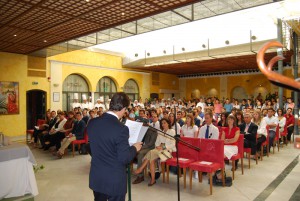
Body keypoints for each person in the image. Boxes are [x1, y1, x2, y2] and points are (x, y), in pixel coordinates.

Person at [88, 92, 142, 201]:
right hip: (114, 180)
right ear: (124, 108)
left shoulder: (92, 123)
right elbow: (124, 158)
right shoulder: (121, 129)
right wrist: (134, 148)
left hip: (97, 177)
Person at [134, 118, 176, 186]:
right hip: (158, 150)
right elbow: (157, 143)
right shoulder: (160, 132)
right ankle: (153, 180)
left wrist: (163, 147)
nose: (163, 124)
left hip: (167, 152)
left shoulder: (172, 131)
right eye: (162, 123)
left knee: (151, 153)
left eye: (165, 123)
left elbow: (172, 144)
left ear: (168, 123)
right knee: (152, 160)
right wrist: (158, 146)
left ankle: (140, 169)